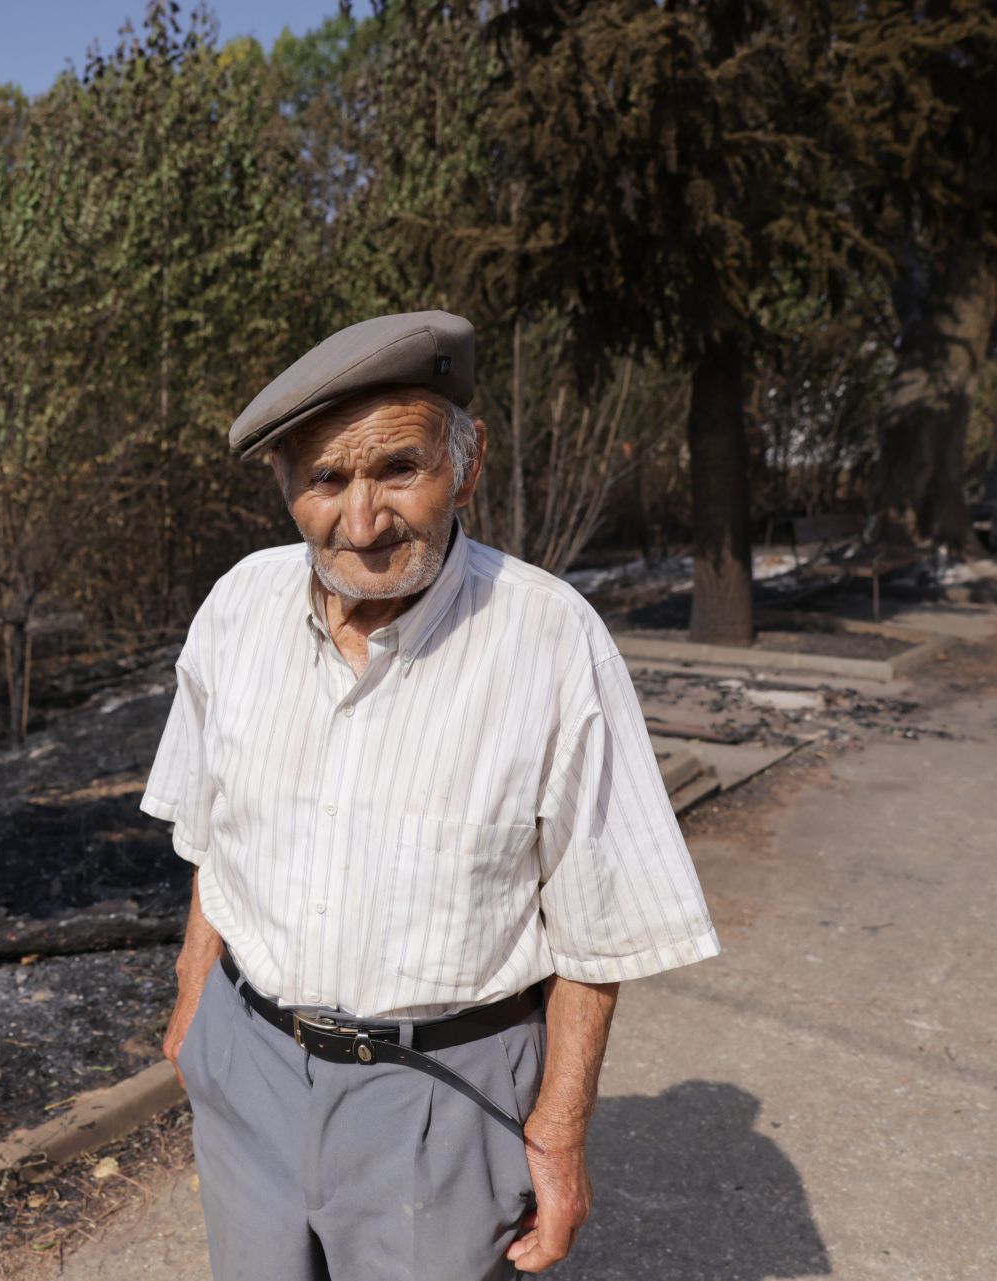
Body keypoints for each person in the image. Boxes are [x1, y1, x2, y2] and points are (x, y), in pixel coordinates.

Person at [140, 310, 720, 1280]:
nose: (361, 523)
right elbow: (212, 830)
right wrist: (195, 995)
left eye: (398, 470)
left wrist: (562, 1130)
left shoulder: (549, 641)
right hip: (247, 1066)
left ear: (469, 460)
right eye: (326, 479)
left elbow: (597, 927)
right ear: (284, 481)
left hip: (439, 1095)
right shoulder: (237, 608)